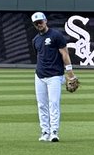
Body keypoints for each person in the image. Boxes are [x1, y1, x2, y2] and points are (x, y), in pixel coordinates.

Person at [31, 11, 75, 142]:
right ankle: (45, 131)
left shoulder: (56, 35)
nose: (39, 25)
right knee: (41, 105)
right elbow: (39, 56)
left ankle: (54, 132)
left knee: (54, 103)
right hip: (40, 75)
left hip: (55, 75)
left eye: (40, 22)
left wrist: (70, 73)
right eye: (36, 23)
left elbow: (65, 54)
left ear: (45, 21)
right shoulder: (35, 40)